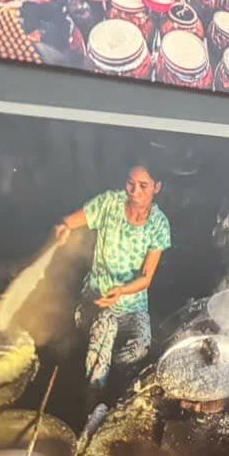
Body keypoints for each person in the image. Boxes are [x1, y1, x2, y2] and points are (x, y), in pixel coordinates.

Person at [55, 163, 171, 413]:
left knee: (140, 347)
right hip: (96, 299)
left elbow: (146, 278)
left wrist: (121, 291)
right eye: (130, 183)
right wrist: (64, 226)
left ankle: (108, 368)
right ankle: (91, 395)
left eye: (143, 186)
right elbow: (72, 221)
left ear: (157, 188)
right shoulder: (109, 203)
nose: (134, 191)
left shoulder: (159, 225)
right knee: (105, 325)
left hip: (132, 305)